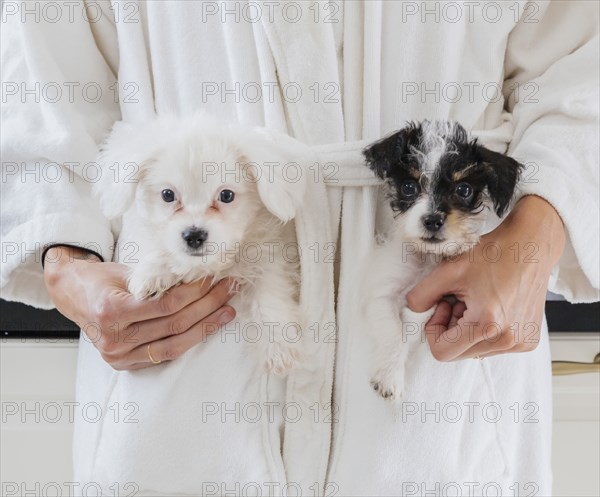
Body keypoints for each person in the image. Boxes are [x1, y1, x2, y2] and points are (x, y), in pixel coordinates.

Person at [2, 1, 598, 495]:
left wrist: (537, 235)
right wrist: (68, 264)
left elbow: (581, 62)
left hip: (450, 307)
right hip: (184, 322)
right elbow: (41, 73)